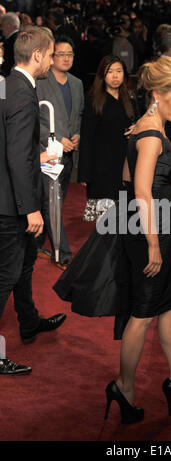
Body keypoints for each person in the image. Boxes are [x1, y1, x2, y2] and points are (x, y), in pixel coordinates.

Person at [54, 56, 171, 423]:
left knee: (167, 306)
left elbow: (131, 178)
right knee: (142, 314)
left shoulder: (144, 126)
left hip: (147, 227)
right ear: (158, 93)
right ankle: (123, 386)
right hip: (148, 233)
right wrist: (153, 244)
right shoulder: (152, 134)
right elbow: (139, 191)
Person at [0, 25, 66, 376]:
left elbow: (12, 146)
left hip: (11, 195)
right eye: (52, 53)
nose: (53, 60)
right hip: (12, 203)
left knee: (24, 264)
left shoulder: (6, 83)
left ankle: (28, 322)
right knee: (5, 276)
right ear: (38, 55)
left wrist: (35, 156)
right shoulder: (24, 93)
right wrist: (31, 208)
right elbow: (15, 155)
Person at [36, 35, 84, 270]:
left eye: (70, 54)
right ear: (51, 57)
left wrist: (77, 135)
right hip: (49, 153)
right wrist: (55, 139)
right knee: (51, 204)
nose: (66, 58)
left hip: (69, 155)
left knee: (53, 202)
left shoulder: (77, 83)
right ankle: (62, 253)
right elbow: (35, 120)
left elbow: (79, 116)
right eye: (61, 54)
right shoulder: (40, 82)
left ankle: (34, 244)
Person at [78, 54, 135, 222]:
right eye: (110, 72)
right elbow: (87, 137)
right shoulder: (94, 100)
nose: (115, 76)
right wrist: (84, 173)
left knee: (124, 218)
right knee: (105, 221)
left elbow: (137, 121)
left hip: (124, 163)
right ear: (103, 75)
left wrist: (136, 127)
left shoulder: (129, 98)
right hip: (101, 166)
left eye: (119, 71)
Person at [0, 12, 20, 77]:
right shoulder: (20, 38)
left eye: (2, 25)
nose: (1, 29)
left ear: (9, 25)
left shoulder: (12, 42)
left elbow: (9, 65)